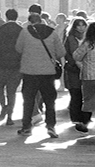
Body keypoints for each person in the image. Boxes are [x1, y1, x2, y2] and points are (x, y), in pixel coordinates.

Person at [15, 8, 66, 139]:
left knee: (28, 100)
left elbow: (18, 48)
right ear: (42, 21)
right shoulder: (52, 33)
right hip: (48, 72)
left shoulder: (25, 32)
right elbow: (61, 52)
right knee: (49, 101)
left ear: (30, 22)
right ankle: (51, 126)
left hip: (29, 72)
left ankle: (26, 127)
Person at [0, 8, 24, 128]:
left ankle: (3, 105)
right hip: (16, 65)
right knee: (11, 91)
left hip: (0, 64)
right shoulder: (21, 31)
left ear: (6, 17)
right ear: (16, 17)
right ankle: (9, 116)